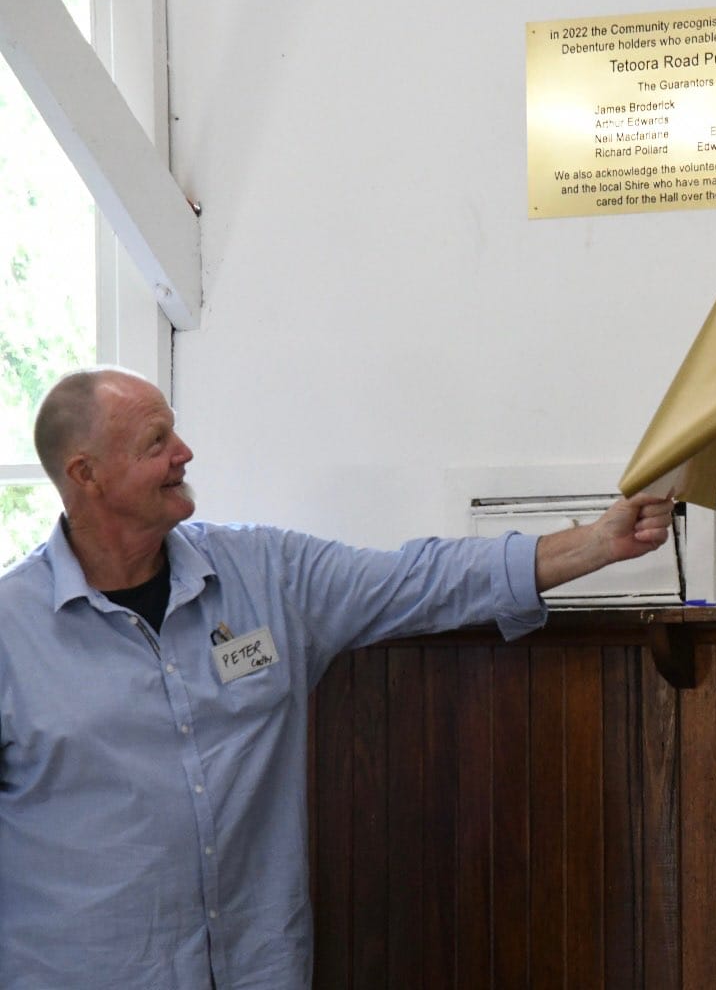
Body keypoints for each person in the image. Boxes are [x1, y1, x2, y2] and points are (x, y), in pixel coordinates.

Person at [0, 367, 675, 990]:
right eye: (157, 441)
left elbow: (423, 579)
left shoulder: (267, 575)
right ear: (85, 474)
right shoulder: (11, 632)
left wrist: (596, 543)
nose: (185, 451)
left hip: (257, 970)